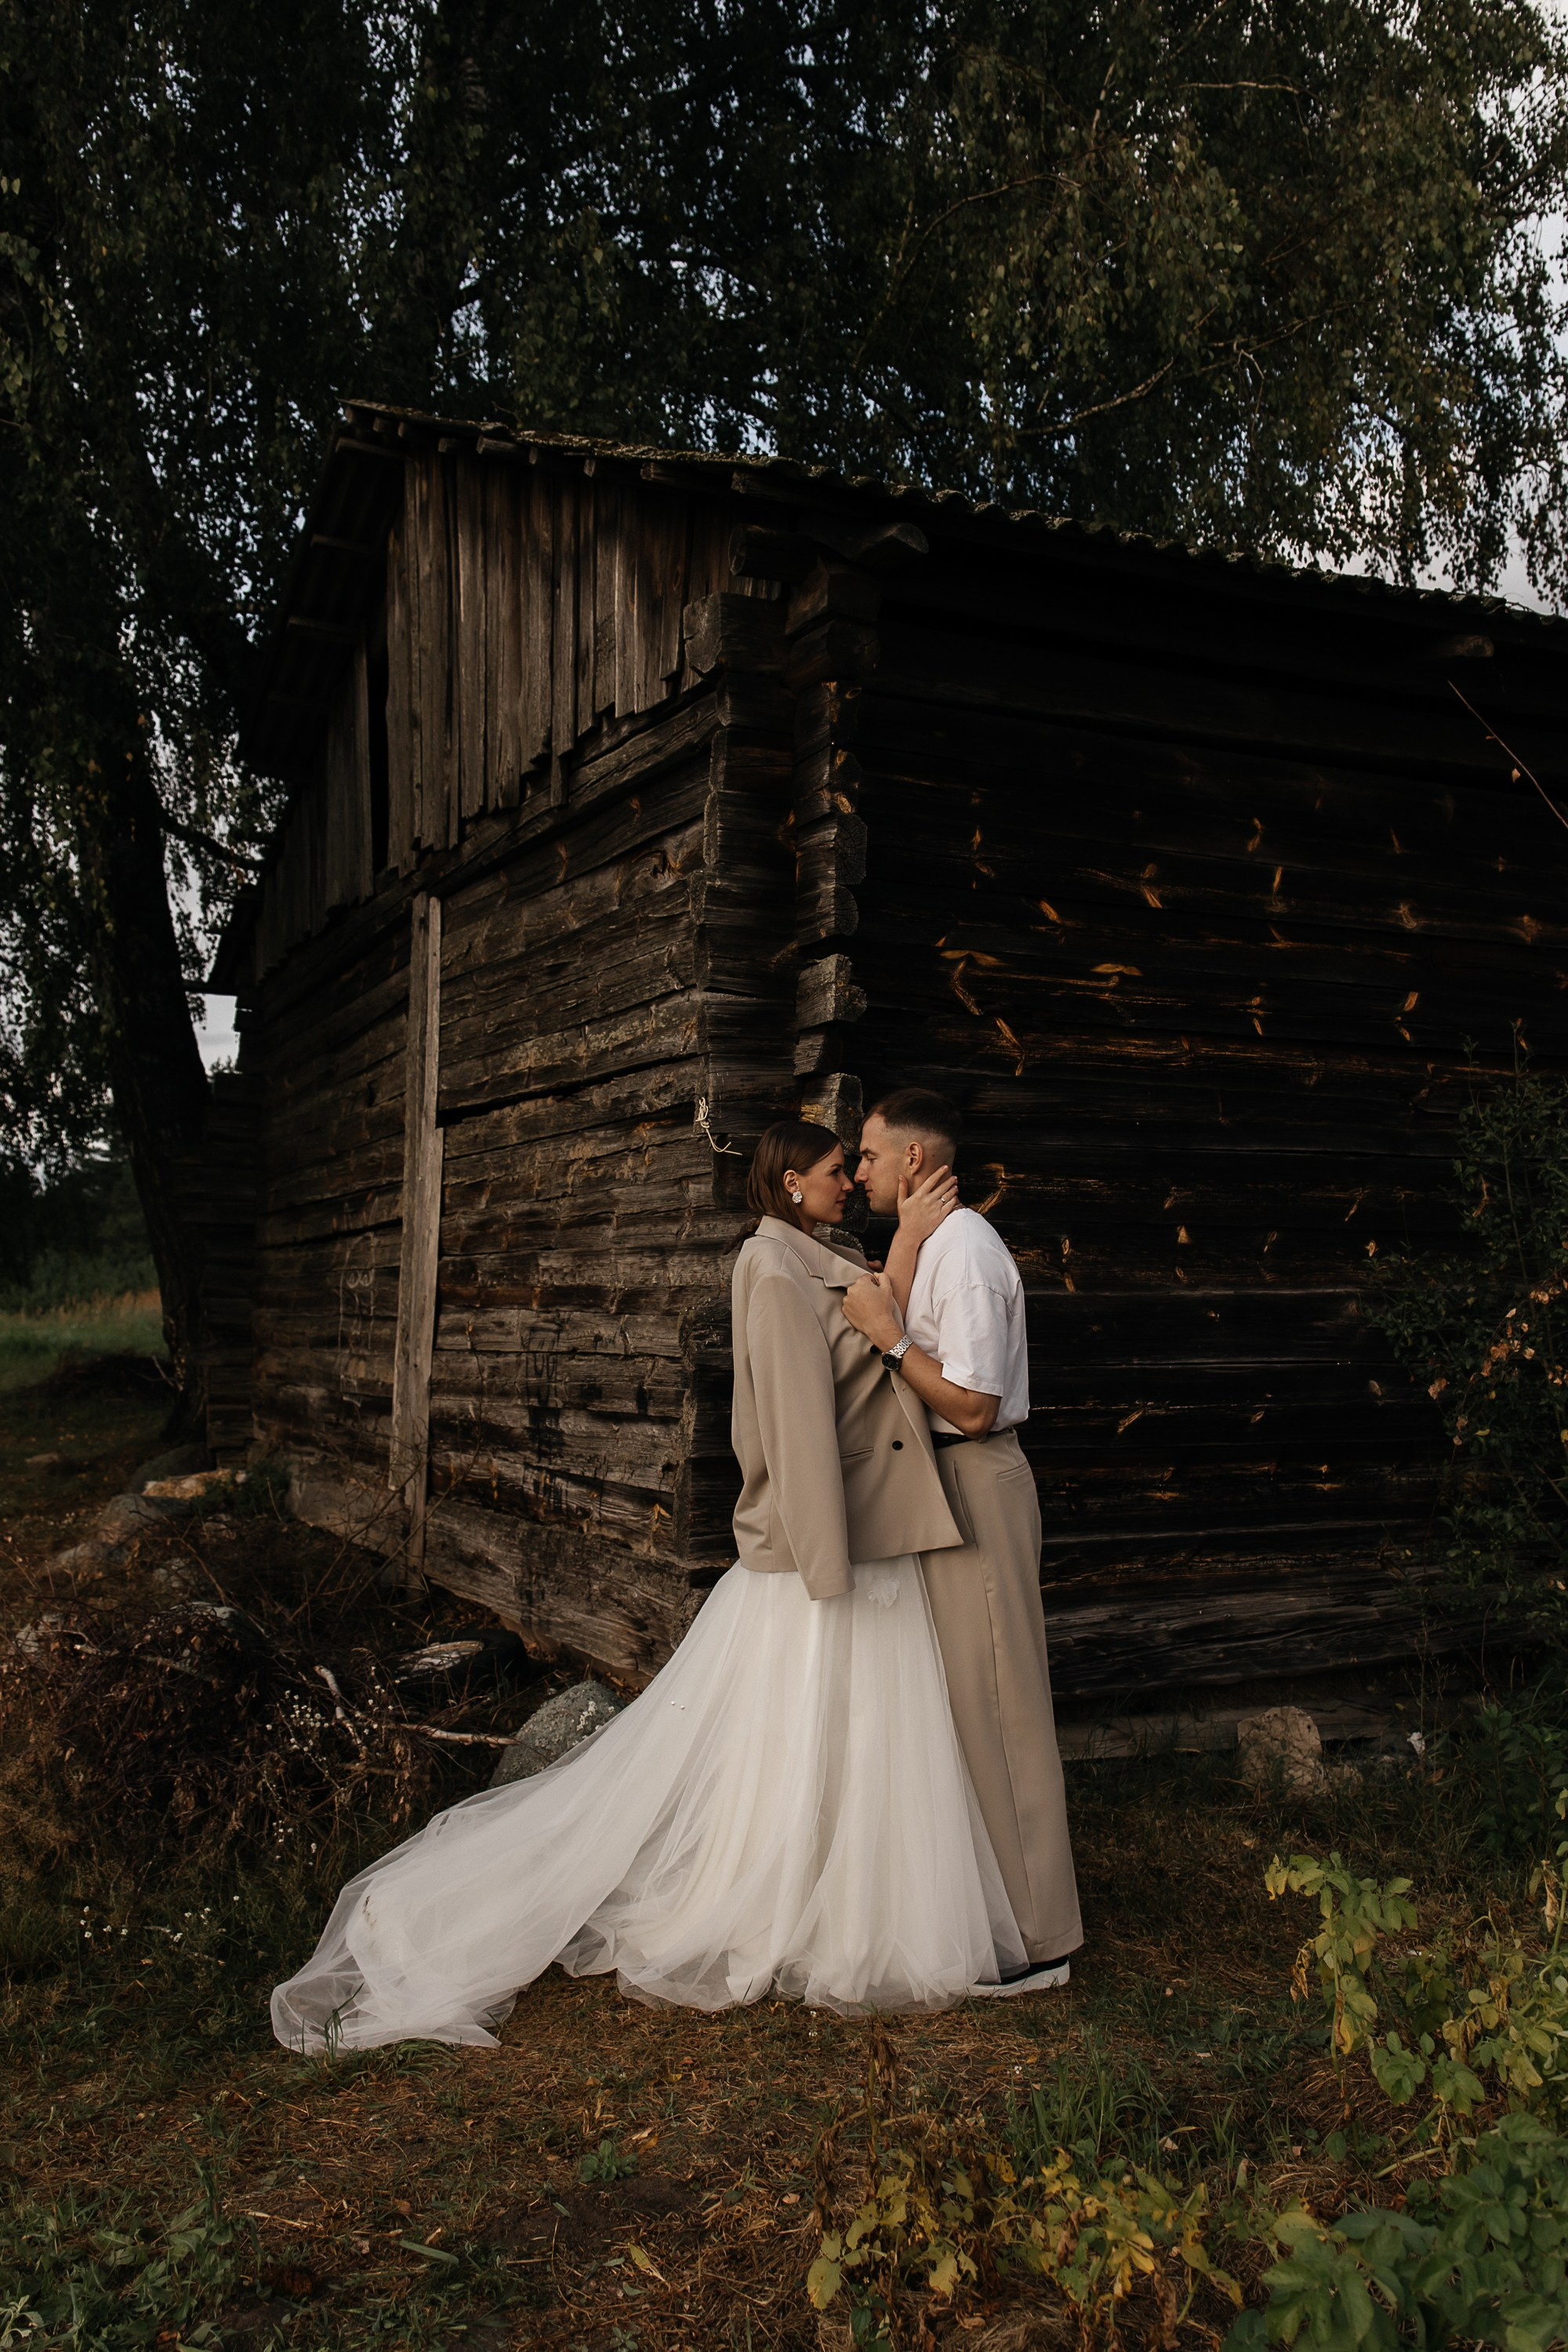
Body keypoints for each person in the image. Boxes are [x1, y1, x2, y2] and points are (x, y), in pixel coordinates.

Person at [271, 1117, 1028, 2052]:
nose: (848, 1180)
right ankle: (788, 1897)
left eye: (850, 1165)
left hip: (876, 1532)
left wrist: (905, 1243)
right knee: (814, 1728)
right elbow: (793, 1420)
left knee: (858, 1733)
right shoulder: (767, 1268)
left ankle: (851, 1890)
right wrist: (826, 1564)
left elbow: (870, 1339)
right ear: (791, 1183)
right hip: (826, 1551)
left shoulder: (820, 1255)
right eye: (837, 1170)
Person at [843, 1089, 1082, 1996]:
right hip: (940, 1482)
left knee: (1003, 1702)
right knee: (966, 1707)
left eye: (867, 1154)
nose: (857, 1169)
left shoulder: (969, 1252)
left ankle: (1040, 1938)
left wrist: (892, 1340)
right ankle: (997, 1913)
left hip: (976, 1476)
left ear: (911, 1162)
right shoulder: (929, 1247)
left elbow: (975, 1410)